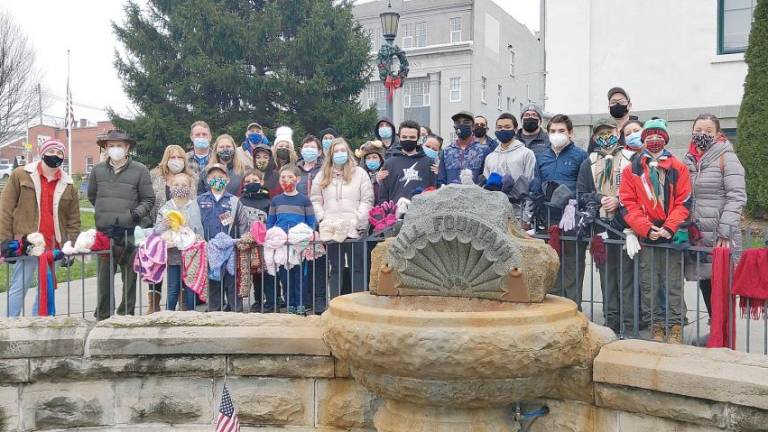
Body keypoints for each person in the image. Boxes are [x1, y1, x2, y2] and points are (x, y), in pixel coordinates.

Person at [619, 118, 691, 344]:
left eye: (658, 134)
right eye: (649, 135)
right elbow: (627, 202)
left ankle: (675, 326)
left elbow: (684, 201)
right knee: (649, 284)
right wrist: (645, 228)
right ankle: (656, 325)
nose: (653, 138)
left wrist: (669, 227)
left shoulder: (678, 167)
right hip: (647, 236)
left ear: (666, 138)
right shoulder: (633, 169)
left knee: (673, 284)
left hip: (670, 236)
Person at [0, 139, 80, 317]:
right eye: (52, 151)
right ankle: (8, 326)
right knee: (19, 286)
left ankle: (40, 324)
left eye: (60, 153)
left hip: (53, 245)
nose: (56, 156)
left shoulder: (69, 184)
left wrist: (71, 246)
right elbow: (5, 209)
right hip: (26, 243)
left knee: (46, 289)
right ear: (43, 152)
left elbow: (74, 220)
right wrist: (5, 240)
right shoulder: (21, 174)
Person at [683, 114, 747, 318]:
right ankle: (715, 328)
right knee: (706, 283)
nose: (702, 134)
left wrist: (725, 230)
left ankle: (724, 335)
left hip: (720, 233)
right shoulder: (689, 159)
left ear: (718, 134)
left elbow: (737, 196)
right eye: (698, 130)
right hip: (699, 234)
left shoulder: (726, 156)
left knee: (722, 285)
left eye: (708, 131)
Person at [576, 118, 636, 333]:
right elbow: (581, 194)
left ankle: (629, 323)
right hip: (601, 226)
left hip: (626, 226)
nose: (605, 137)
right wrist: (600, 198)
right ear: (594, 138)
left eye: (609, 132)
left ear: (617, 132)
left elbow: (639, 190)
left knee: (627, 277)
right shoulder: (588, 162)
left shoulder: (631, 158)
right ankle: (612, 321)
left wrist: (619, 200)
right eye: (600, 134)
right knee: (607, 276)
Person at [88, 129, 155, 320]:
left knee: (130, 279)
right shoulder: (97, 170)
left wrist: (133, 215)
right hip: (104, 233)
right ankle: (103, 316)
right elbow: (93, 196)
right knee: (104, 279)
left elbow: (148, 199)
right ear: (106, 148)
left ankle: (126, 315)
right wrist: (105, 213)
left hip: (129, 233)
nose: (115, 149)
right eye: (111, 146)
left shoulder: (140, 170)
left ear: (127, 148)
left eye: (119, 145)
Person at [529, 115, 588, 307]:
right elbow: (537, 184)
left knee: (572, 266)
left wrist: (572, 202)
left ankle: (572, 308)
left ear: (570, 133)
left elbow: (584, 187)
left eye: (561, 131)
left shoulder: (580, 156)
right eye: (553, 131)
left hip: (571, 219)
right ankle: (552, 309)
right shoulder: (541, 156)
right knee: (550, 265)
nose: (557, 135)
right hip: (547, 219)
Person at [311, 138, 374, 297]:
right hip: (331, 229)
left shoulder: (360, 173)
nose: (340, 154)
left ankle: (359, 303)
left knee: (357, 267)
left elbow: (367, 199)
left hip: (354, 228)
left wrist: (360, 220)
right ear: (331, 155)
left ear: (348, 152)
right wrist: (322, 219)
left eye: (343, 151)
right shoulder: (322, 175)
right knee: (335, 268)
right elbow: (315, 199)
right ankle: (335, 303)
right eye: (336, 151)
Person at [146, 144, 193, 313]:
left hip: (183, 235)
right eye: (172, 157)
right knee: (156, 270)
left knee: (179, 274)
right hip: (161, 227)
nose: (176, 160)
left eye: (179, 157)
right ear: (166, 159)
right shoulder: (154, 176)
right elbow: (149, 200)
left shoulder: (190, 178)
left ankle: (184, 305)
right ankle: (154, 306)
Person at [197, 163, 249, 312]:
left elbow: (243, 223)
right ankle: (214, 312)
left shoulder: (234, 201)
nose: (217, 179)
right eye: (213, 177)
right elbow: (194, 222)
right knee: (213, 281)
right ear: (207, 179)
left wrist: (242, 242)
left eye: (220, 176)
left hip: (230, 249)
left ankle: (235, 311)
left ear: (227, 179)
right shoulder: (200, 200)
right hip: (210, 248)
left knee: (232, 281)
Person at [267, 164, 317, 314]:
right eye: (283, 177)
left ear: (298, 179)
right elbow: (270, 223)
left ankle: (300, 304)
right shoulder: (275, 200)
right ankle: (289, 304)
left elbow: (311, 222)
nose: (286, 180)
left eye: (290, 177)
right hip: (282, 245)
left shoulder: (304, 200)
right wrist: (272, 237)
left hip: (299, 244)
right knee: (285, 276)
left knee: (300, 276)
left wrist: (305, 236)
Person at [153, 173, 204, 311]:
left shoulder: (195, 207)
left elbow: (200, 231)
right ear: (170, 187)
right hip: (173, 257)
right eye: (176, 185)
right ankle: (169, 313)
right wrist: (164, 224)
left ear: (190, 187)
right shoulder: (165, 208)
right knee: (173, 288)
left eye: (184, 185)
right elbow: (156, 231)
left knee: (190, 288)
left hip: (191, 257)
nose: (180, 187)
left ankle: (191, 314)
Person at [483, 113, 535, 220]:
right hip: (493, 213)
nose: (503, 130)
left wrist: (527, 216)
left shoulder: (526, 153)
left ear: (515, 129)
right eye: (499, 127)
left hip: (517, 213)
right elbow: (486, 187)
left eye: (507, 127)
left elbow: (531, 183)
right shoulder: (490, 157)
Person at [238, 169, 276, 312]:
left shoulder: (268, 201)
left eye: (254, 181)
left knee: (267, 273)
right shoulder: (240, 201)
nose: (251, 184)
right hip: (248, 243)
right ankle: (258, 300)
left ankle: (272, 301)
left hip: (264, 243)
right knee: (255, 274)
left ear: (262, 182)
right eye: (247, 181)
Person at [379, 120, 435, 205]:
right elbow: (383, 194)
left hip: (422, 214)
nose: (408, 140)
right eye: (404, 137)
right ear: (399, 137)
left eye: (412, 137)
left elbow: (435, 189)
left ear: (418, 137)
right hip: (395, 214)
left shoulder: (429, 162)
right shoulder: (390, 163)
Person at [437, 111, 491, 186]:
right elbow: (441, 180)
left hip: (475, 196)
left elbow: (486, 178)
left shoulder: (484, 150)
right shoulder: (446, 151)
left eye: (466, 122)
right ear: (454, 127)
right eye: (458, 122)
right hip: (450, 196)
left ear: (473, 127)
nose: (461, 125)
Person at [186, 120, 213, 195]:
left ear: (210, 137)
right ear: (192, 137)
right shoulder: (184, 159)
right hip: (190, 202)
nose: (201, 137)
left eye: (204, 134)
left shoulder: (218, 159)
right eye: (197, 135)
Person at [356, 140, 387, 205]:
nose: (371, 160)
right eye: (368, 158)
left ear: (381, 159)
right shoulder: (360, 176)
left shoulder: (386, 174)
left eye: (374, 157)